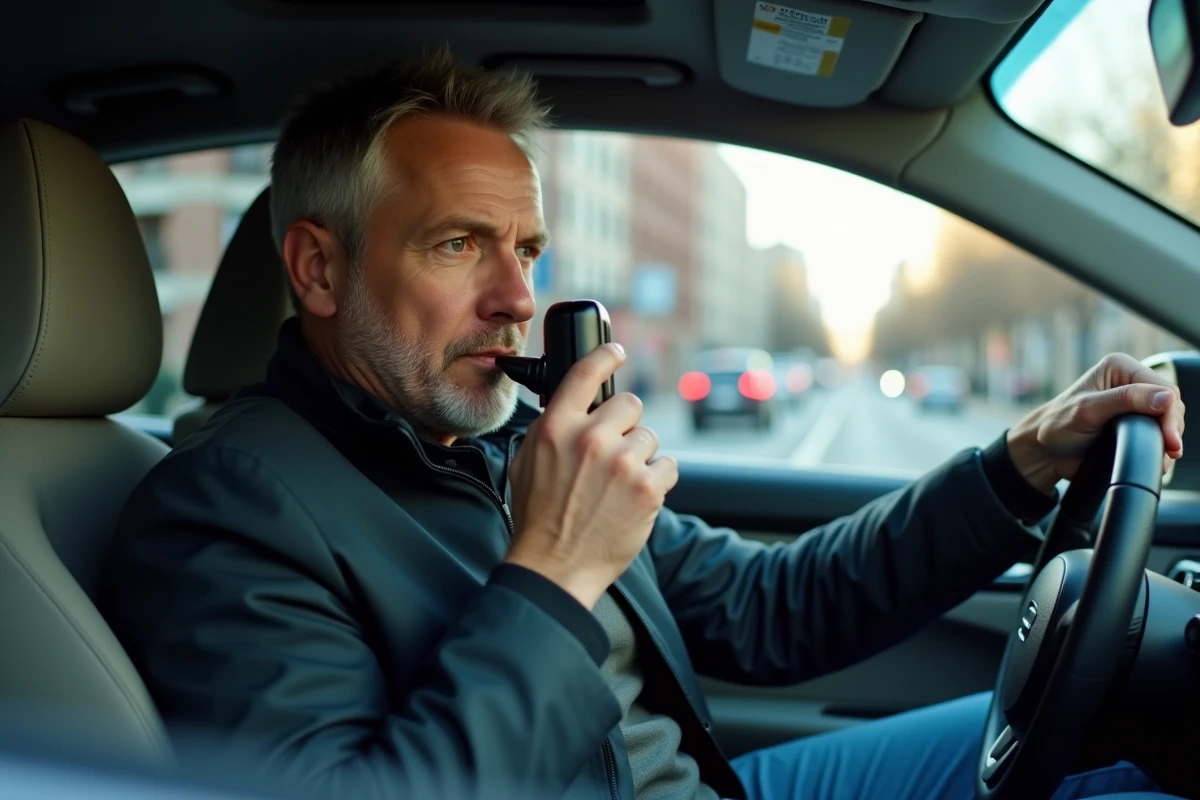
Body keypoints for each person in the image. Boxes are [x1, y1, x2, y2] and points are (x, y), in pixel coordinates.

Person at [99, 49, 1186, 800]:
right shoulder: (225, 509)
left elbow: (773, 607)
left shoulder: (502, 441)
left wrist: (1019, 463)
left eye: (526, 249)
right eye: (457, 244)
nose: (517, 299)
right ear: (319, 269)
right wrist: (553, 572)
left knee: (1120, 737)